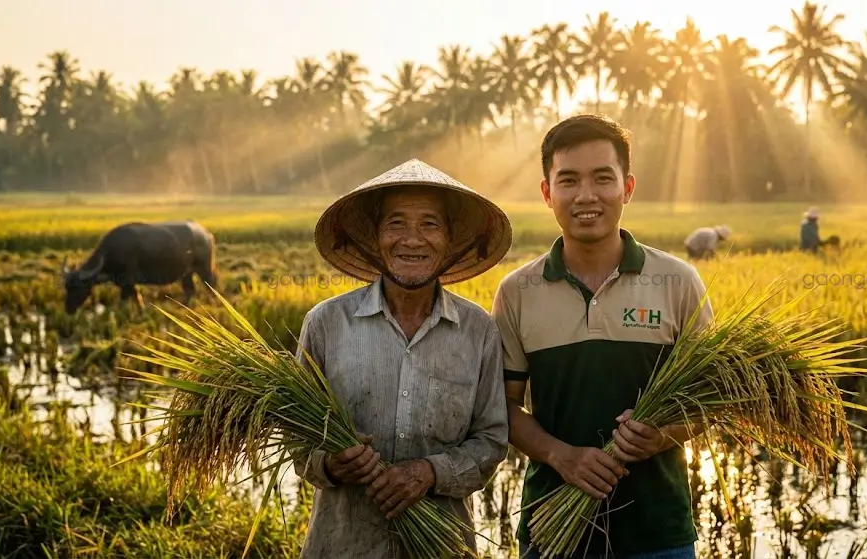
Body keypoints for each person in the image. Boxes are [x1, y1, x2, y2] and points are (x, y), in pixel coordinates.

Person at [492, 115, 713, 559]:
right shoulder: (518, 292)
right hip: (551, 531)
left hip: (657, 533)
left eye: (602, 178)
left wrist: (663, 434)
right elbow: (502, 406)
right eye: (568, 180)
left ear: (627, 188)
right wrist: (561, 456)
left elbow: (711, 400)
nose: (586, 196)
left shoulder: (677, 281)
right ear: (547, 192)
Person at [292, 158, 514, 558]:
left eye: (430, 224)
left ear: (450, 240)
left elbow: (492, 440)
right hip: (343, 546)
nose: (412, 240)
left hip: (443, 548)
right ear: (375, 238)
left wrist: (430, 472)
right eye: (396, 224)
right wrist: (331, 464)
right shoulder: (326, 324)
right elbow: (297, 441)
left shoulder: (478, 331)